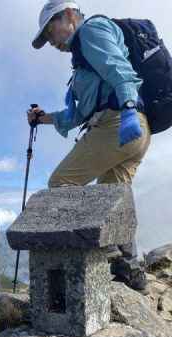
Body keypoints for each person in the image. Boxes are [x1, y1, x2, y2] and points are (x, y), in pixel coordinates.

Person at [28, 0, 151, 291]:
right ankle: (131, 272)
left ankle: (98, 256)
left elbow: (119, 69)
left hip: (119, 122)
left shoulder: (92, 31)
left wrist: (129, 106)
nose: (52, 41)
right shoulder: (82, 58)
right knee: (112, 198)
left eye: (51, 31)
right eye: (46, 38)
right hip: (134, 131)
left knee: (60, 183)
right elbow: (77, 115)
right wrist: (42, 118)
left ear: (69, 15)